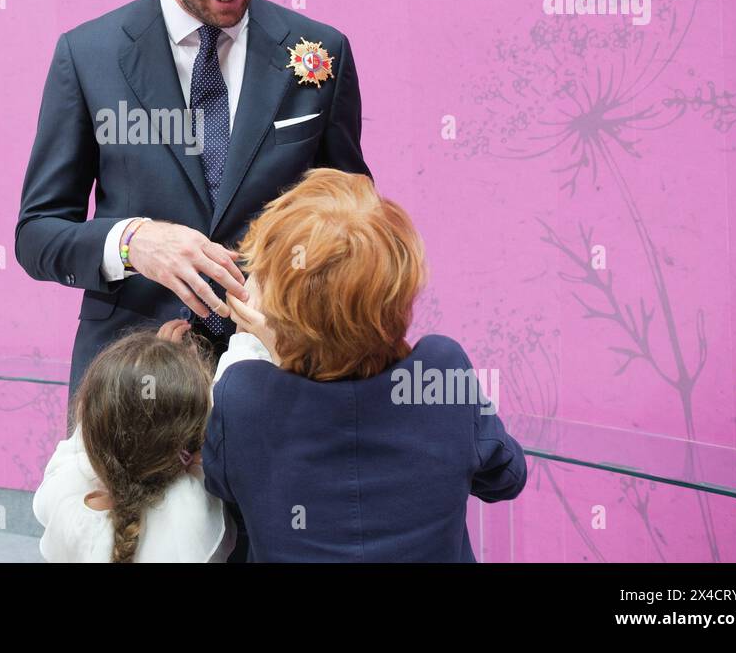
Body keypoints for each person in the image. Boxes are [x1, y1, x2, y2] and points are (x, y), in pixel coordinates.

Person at [15, 0, 373, 414]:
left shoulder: (321, 51)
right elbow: (36, 236)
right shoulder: (88, 56)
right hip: (129, 394)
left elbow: (356, 217)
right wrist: (132, 243)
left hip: (283, 382)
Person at [204, 168, 528, 562]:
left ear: (279, 314)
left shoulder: (243, 396)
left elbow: (223, 485)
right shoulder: (440, 372)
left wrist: (265, 349)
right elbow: (506, 478)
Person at [33, 320, 235, 562]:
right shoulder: (189, 505)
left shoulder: (63, 504)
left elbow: (81, 445)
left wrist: (156, 375)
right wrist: (171, 374)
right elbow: (220, 412)